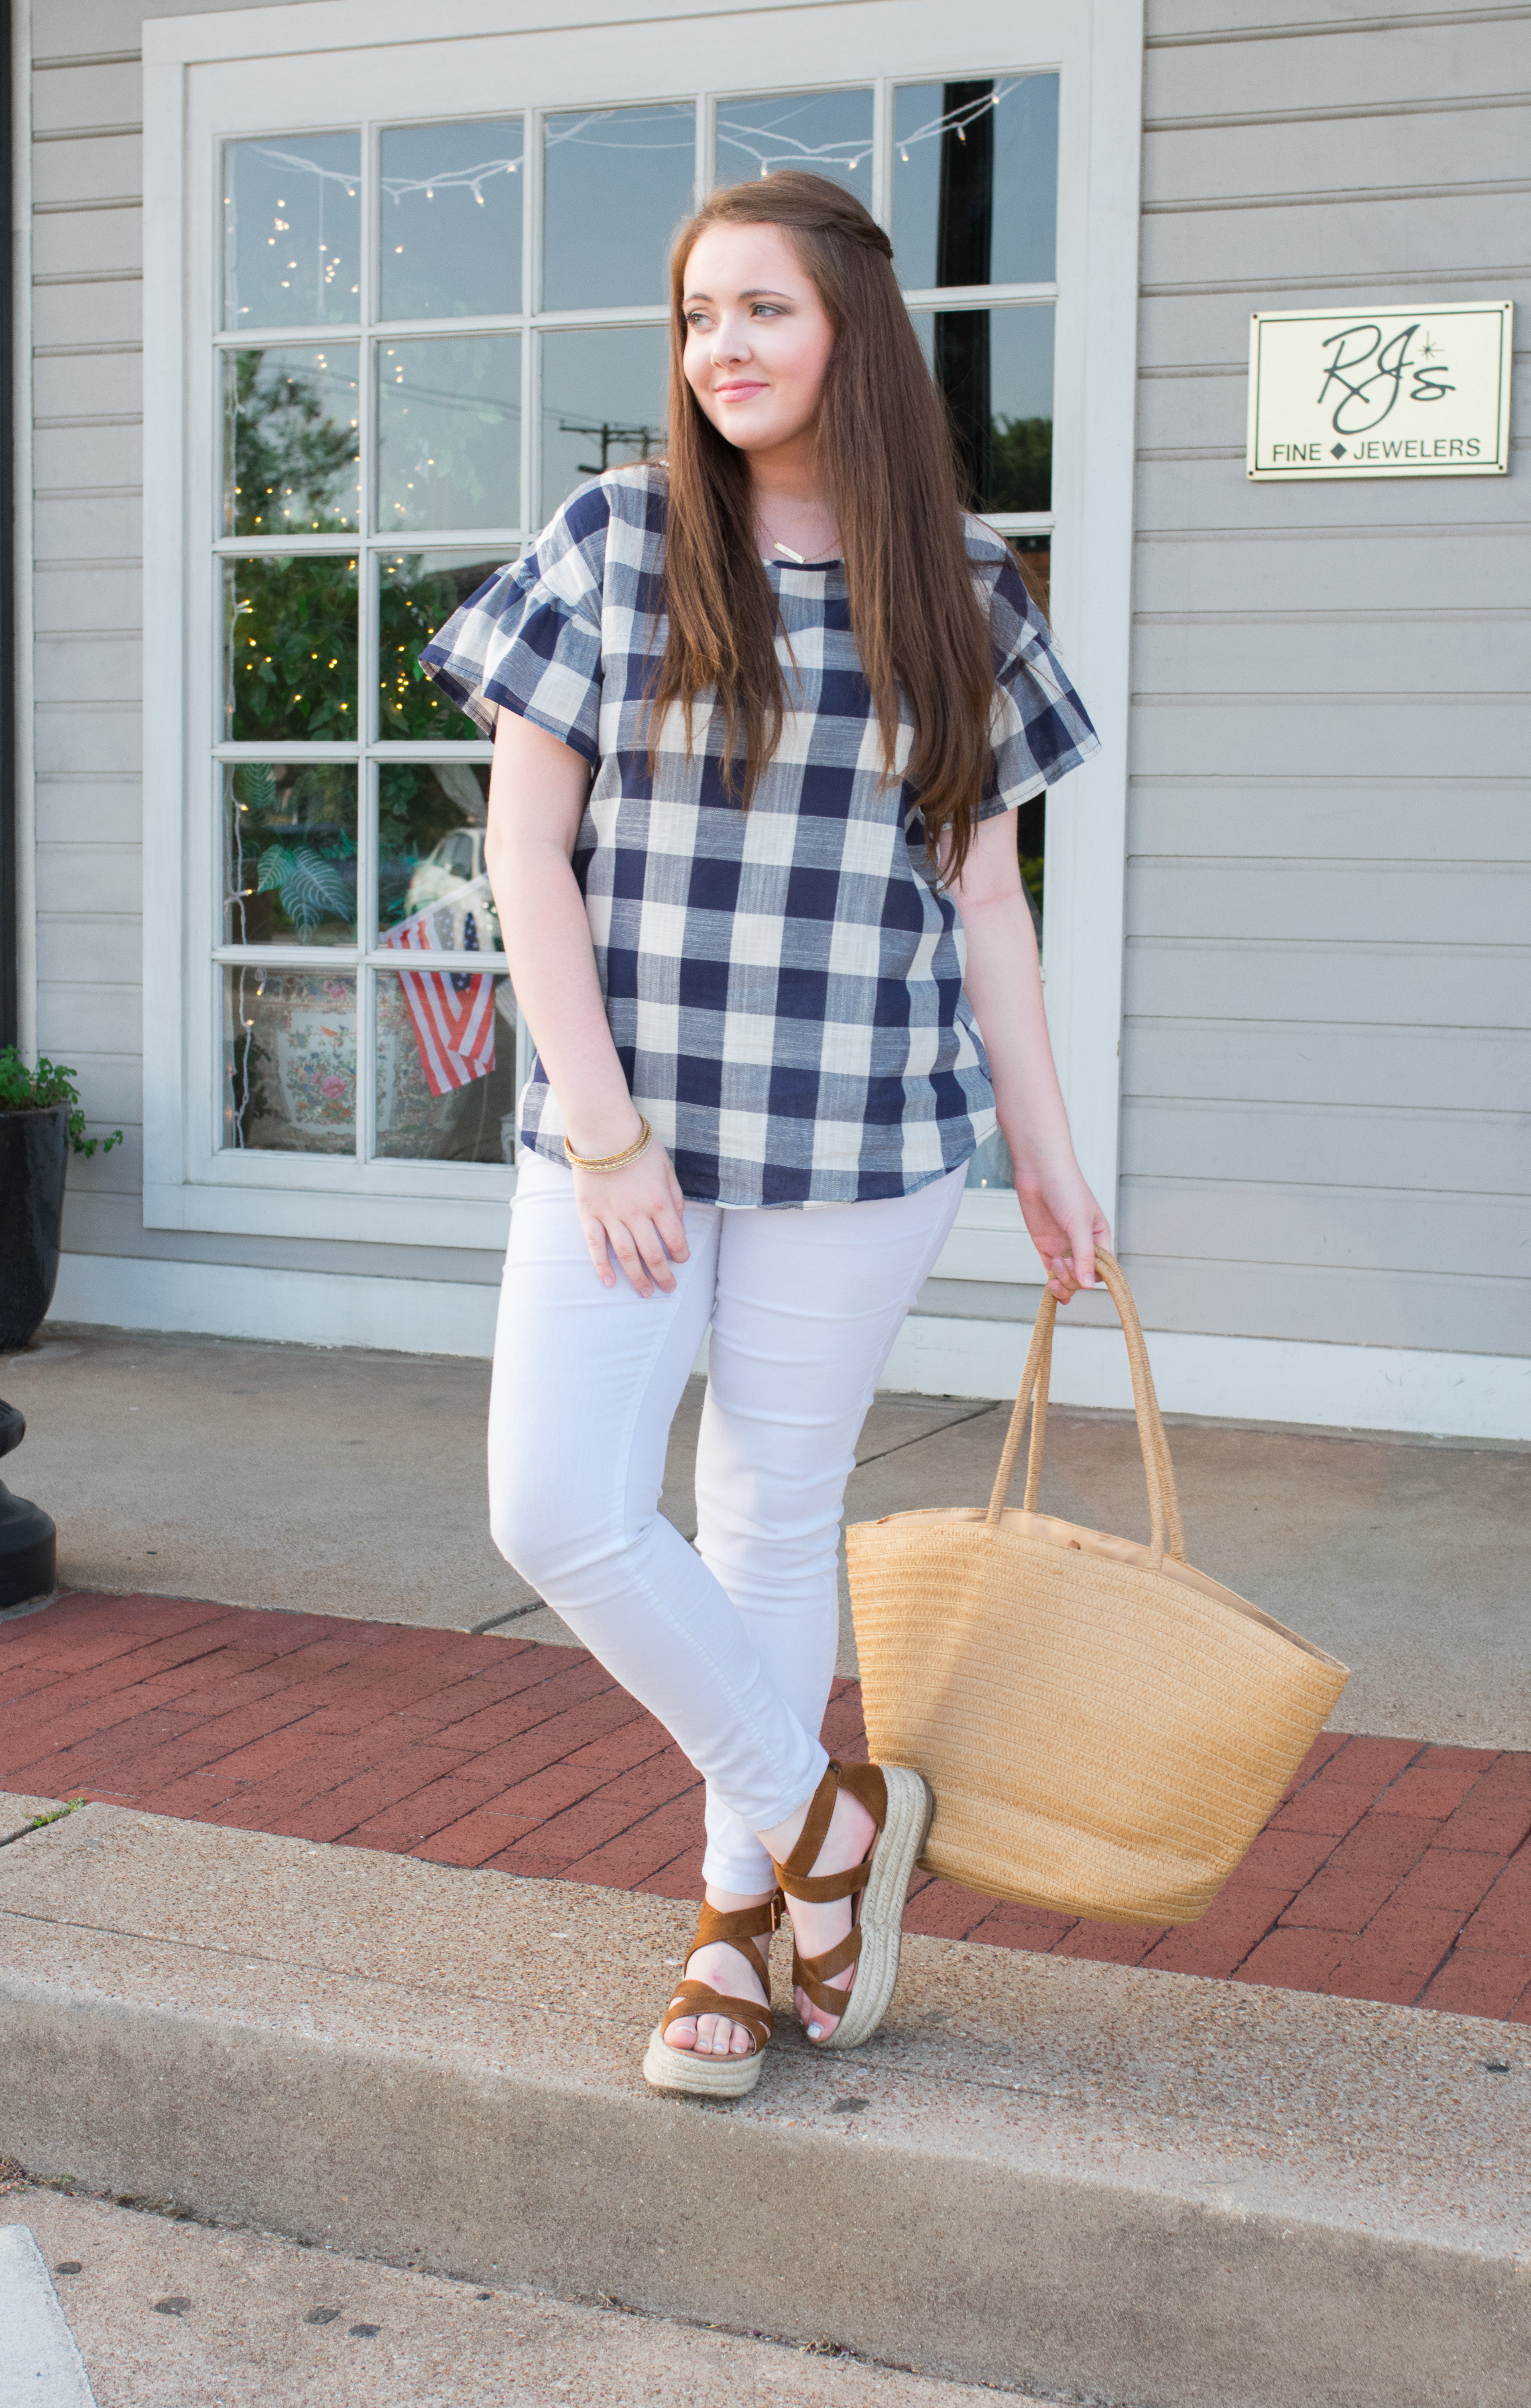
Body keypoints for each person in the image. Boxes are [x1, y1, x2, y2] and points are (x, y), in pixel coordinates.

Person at [420, 170, 1106, 2099]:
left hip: (865, 1139)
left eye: (763, 313)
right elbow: (521, 853)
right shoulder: (621, 537)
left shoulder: (960, 585)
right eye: (700, 314)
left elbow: (984, 904)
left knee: (766, 1521)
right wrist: (612, 1134)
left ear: (851, 339)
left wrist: (1050, 1156)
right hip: (622, 1147)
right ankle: (832, 1819)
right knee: (556, 1507)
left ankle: (738, 1915)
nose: (720, 348)